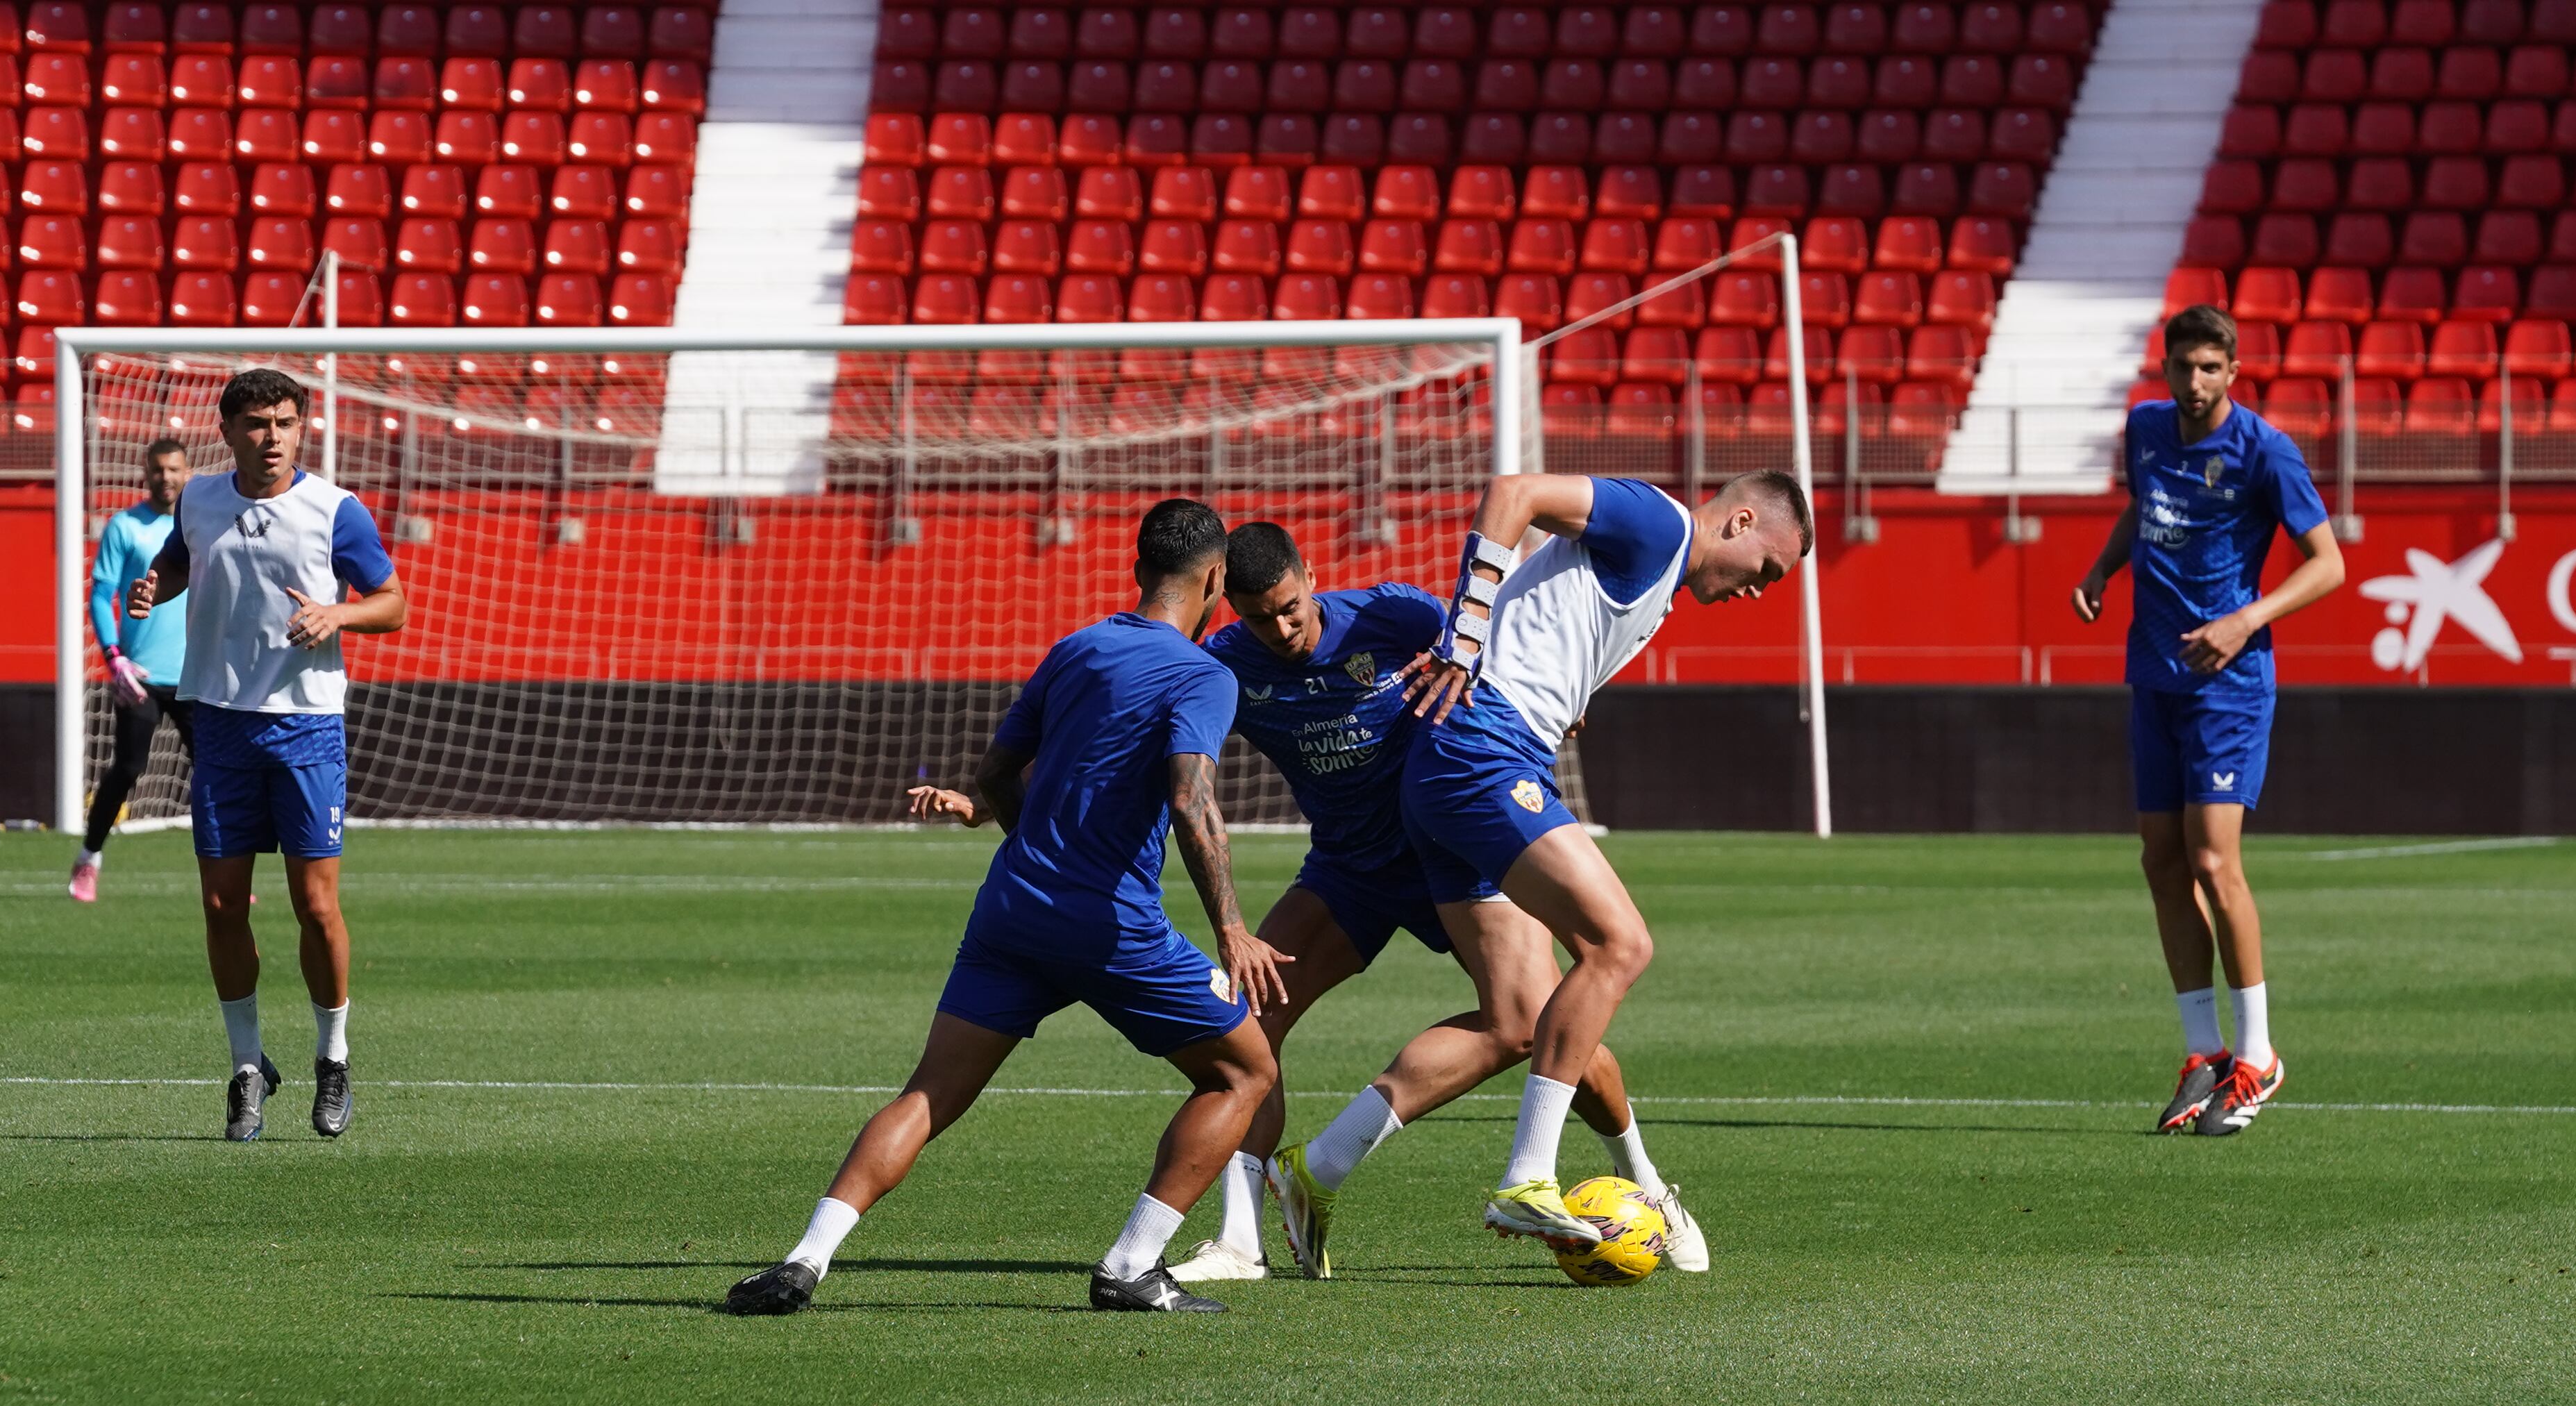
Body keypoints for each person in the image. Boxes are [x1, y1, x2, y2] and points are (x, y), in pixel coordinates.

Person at [725, 499, 1291, 1319]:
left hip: (1013, 909)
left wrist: (1007, 826)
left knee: (928, 1093)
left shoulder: (1078, 648)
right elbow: (1191, 796)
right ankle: (1132, 1264)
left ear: (1139, 569)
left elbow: (998, 772)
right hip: (1109, 925)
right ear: (1214, 580)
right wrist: (1233, 927)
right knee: (1246, 1071)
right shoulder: (1204, 673)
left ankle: (804, 1259)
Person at [1174, 521, 1702, 1284]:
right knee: (1251, 1024)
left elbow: (1500, 649)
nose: (1281, 628)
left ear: (1310, 575)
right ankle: (1239, 1239)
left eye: (1290, 607)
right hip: (1350, 868)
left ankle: (1648, 1186)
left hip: (1454, 843)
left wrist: (1562, 699)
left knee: (1543, 1023)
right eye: (1260, 616)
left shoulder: (1392, 614)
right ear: (1235, 611)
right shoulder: (1223, 666)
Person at [1404, 471, 1809, 1244]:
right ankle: (1528, 1175)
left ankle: (1315, 1165)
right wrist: (1465, 632)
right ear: (1741, 521)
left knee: (1519, 1012)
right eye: (1768, 570)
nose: (1759, 591)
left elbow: (1550, 601)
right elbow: (1511, 491)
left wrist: (1565, 687)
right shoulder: (1660, 523)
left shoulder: (1657, 576)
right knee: (1620, 945)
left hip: (1480, 754)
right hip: (1483, 749)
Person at [2071, 303, 2343, 1137]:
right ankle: (2205, 1054)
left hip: (2229, 681)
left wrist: (2247, 620)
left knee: (2213, 857)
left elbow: (2329, 564)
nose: (2193, 383)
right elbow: (2144, 508)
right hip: (2152, 670)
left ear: (2233, 372)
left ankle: (2260, 1056)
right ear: (2165, 369)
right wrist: (2103, 567)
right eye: (2180, 367)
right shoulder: (2146, 430)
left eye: (2208, 369)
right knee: (2160, 858)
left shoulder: (2266, 450)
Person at [128, 368, 408, 1141]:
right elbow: (184, 557)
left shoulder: (334, 511)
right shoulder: (202, 498)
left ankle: (334, 1057)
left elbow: (394, 601)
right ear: (227, 432)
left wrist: (337, 613)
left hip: (306, 727)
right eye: (256, 423)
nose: (273, 436)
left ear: (302, 427)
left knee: (315, 907)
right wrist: (159, 583)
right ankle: (248, 1065)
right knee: (221, 904)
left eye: (286, 422)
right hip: (219, 722)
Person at [70, 440, 196, 902]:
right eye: (159, 469)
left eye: (175, 469)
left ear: (188, 472)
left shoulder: (201, 525)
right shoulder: (125, 527)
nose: (167, 477)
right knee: (126, 768)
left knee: (216, 775)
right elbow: (102, 595)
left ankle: (227, 873)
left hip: (196, 675)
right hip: (139, 674)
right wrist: (114, 657)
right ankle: (89, 858)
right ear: (147, 472)